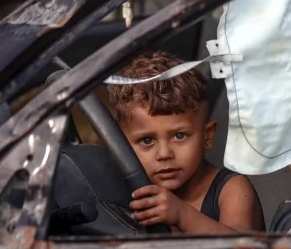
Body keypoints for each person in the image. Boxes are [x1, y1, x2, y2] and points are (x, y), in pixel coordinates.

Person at [108, 51, 264, 234]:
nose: (164, 154)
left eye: (179, 136)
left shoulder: (232, 190)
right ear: (123, 146)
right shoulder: (129, 193)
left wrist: (182, 215)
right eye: (147, 140)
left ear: (208, 136)